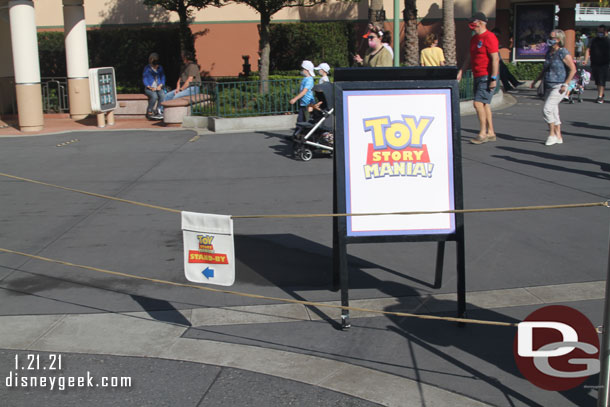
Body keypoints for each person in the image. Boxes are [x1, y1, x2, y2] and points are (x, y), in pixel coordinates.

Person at [457, 12, 500, 144]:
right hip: (477, 74)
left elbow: (495, 58)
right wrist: (461, 71)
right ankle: (491, 132)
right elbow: (469, 56)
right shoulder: (474, 39)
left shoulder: (490, 37)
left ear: (480, 22)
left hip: (487, 76)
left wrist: (493, 78)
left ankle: (482, 133)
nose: (472, 25)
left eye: (473, 22)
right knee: (484, 104)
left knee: (477, 103)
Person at [531, 29, 576, 146]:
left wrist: (566, 84)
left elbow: (573, 69)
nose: (550, 40)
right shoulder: (549, 52)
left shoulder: (563, 52)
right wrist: (536, 80)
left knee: (547, 109)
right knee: (554, 111)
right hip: (548, 84)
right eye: (549, 37)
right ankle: (558, 135)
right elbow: (545, 68)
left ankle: (551, 134)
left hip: (559, 85)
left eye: (552, 38)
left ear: (559, 40)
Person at [584, 25, 610, 103]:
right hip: (594, 63)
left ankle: (600, 96)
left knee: (601, 80)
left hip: (604, 63)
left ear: (605, 32)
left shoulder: (608, 41)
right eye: (598, 32)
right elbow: (588, 50)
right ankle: (601, 94)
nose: (599, 33)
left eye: (601, 32)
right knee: (597, 80)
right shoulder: (593, 40)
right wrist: (585, 60)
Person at [290, 60, 315, 127]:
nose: (302, 70)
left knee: (305, 121)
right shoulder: (305, 79)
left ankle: (299, 135)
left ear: (306, 70)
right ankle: (298, 135)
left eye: (303, 69)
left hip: (308, 103)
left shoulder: (309, 80)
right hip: (304, 103)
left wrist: (294, 99)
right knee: (300, 120)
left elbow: (304, 91)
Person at [142, 52, 166, 120]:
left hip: (158, 87)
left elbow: (163, 77)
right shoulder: (147, 68)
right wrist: (149, 87)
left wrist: (160, 85)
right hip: (149, 88)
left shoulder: (160, 67)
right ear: (151, 59)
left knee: (162, 95)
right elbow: (145, 79)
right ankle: (149, 111)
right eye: (153, 59)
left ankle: (159, 110)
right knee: (154, 96)